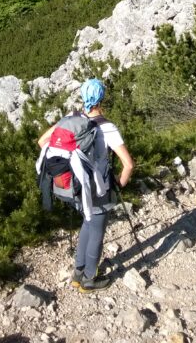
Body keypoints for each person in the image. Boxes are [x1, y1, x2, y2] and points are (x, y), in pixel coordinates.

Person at [71, 77, 134, 292]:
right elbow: (128, 164)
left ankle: (77, 272)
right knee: (97, 232)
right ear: (101, 99)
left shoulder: (74, 121)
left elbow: (43, 142)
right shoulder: (107, 127)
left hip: (79, 186)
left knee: (87, 225)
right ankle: (89, 279)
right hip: (100, 188)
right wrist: (119, 184)